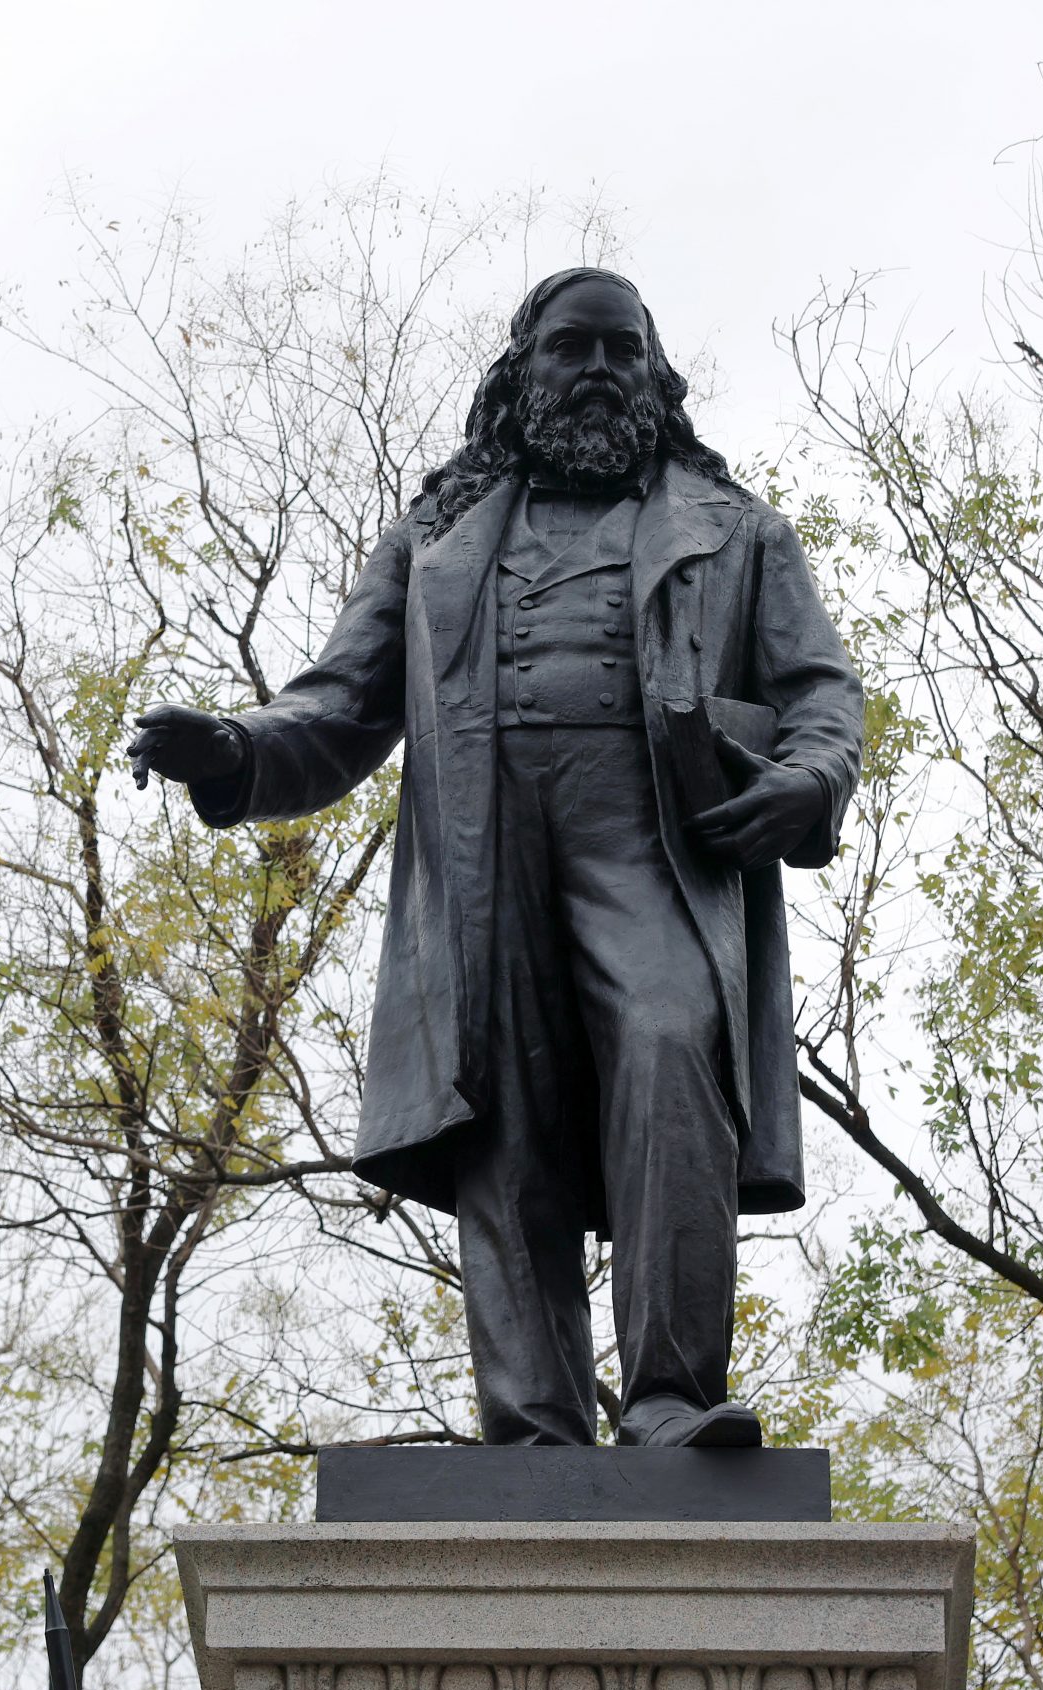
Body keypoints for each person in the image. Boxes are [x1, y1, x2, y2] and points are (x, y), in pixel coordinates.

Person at [128, 269, 864, 1447]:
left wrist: (812, 778)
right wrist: (233, 749)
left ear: (656, 376)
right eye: (573, 347)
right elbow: (340, 703)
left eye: (623, 349)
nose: (600, 370)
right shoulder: (434, 537)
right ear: (522, 371)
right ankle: (532, 1430)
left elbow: (820, 691)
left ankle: (671, 1398)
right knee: (505, 1108)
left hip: (657, 844)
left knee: (671, 1043)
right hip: (485, 849)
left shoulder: (738, 531)